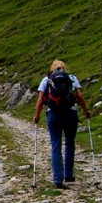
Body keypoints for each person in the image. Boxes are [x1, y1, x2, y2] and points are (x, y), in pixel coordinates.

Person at [33, 59, 91, 189]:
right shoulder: (71, 78)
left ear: (52, 69)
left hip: (53, 114)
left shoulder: (46, 80)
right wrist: (86, 111)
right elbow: (80, 96)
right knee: (70, 142)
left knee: (56, 144)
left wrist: (37, 116)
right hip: (70, 113)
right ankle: (69, 174)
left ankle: (58, 179)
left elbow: (40, 100)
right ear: (64, 68)